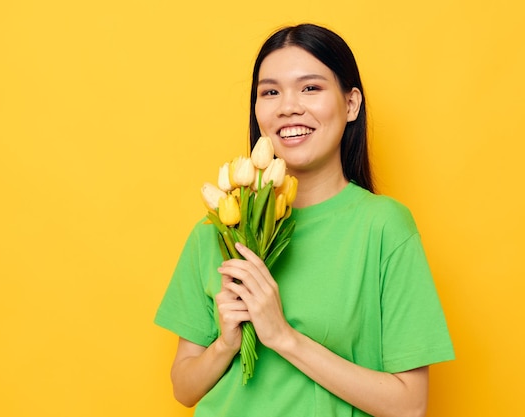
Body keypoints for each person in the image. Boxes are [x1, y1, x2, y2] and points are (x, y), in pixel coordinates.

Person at [155, 23, 454, 417]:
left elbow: (409, 406)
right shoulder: (219, 228)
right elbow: (183, 387)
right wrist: (226, 343)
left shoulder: (383, 228)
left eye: (310, 88)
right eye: (270, 92)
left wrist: (282, 337)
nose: (288, 106)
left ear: (351, 104)